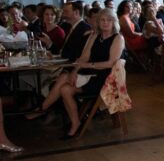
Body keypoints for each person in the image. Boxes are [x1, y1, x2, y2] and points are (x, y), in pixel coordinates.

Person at [26, 9, 125, 139]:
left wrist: (88, 65)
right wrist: (75, 71)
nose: (105, 23)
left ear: (114, 22)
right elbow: (83, 58)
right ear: (98, 22)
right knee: (65, 88)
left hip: (106, 78)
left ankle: (43, 108)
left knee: (63, 80)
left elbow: (111, 63)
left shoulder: (118, 38)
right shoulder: (95, 35)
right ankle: (75, 123)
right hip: (90, 73)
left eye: (109, 20)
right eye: (102, 20)